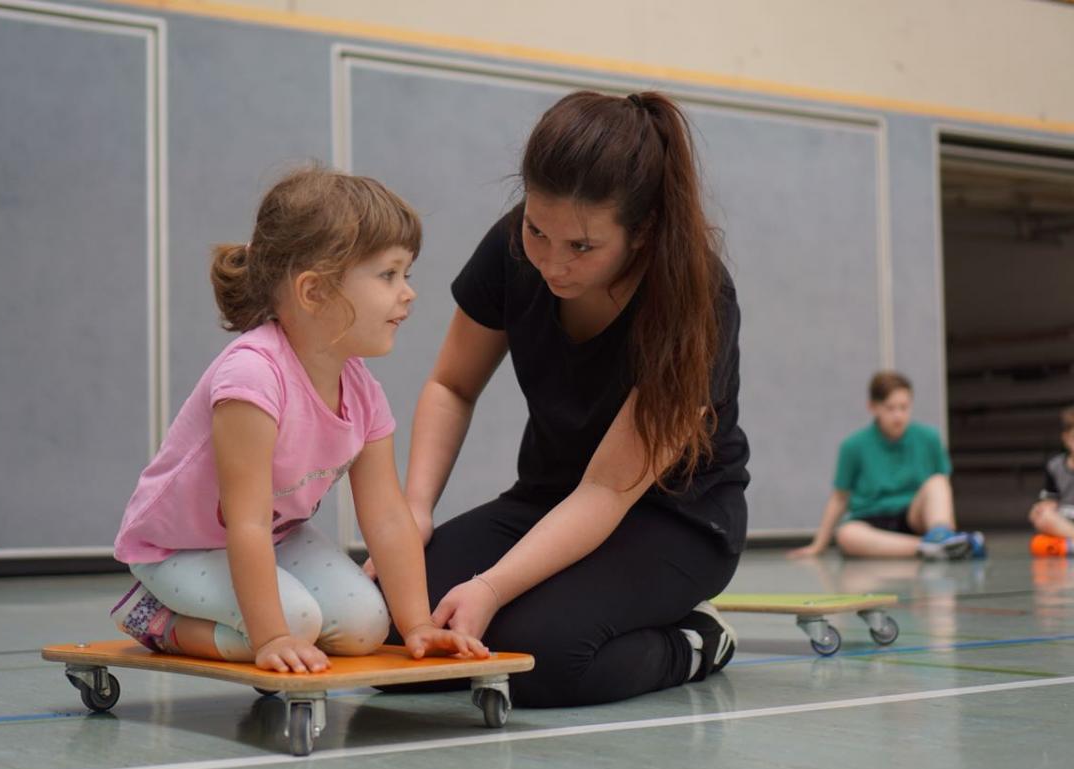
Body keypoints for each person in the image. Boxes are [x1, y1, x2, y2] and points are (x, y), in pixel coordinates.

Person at [372, 90, 750, 708]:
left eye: (582, 247)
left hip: (672, 521)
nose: (551, 262)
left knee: (538, 657)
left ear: (642, 232)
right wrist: (413, 512)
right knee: (383, 626)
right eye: (537, 230)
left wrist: (491, 587)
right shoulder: (512, 247)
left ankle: (695, 639)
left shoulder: (698, 300)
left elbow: (606, 492)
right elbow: (452, 386)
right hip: (545, 501)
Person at [110, 166, 488, 673]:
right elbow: (245, 521)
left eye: (407, 274)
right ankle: (154, 618)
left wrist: (417, 624)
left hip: (275, 537)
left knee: (366, 627)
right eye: (388, 275)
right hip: (181, 549)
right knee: (294, 624)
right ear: (313, 291)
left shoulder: (362, 389)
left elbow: (388, 517)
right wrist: (270, 637)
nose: (408, 292)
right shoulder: (252, 376)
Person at [789, 371, 984, 561]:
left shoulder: (929, 438)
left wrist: (947, 526)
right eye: (890, 408)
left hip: (912, 515)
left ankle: (942, 537)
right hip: (871, 519)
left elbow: (942, 492)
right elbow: (839, 498)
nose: (898, 416)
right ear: (873, 407)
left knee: (937, 482)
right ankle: (934, 547)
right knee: (846, 534)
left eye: (904, 407)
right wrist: (818, 545)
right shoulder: (853, 446)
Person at [1029, 405, 1074, 556]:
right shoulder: (1055, 466)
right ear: (1066, 438)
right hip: (1065, 520)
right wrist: (1041, 508)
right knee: (1041, 516)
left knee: (1042, 544)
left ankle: (1067, 544)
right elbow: (1050, 500)